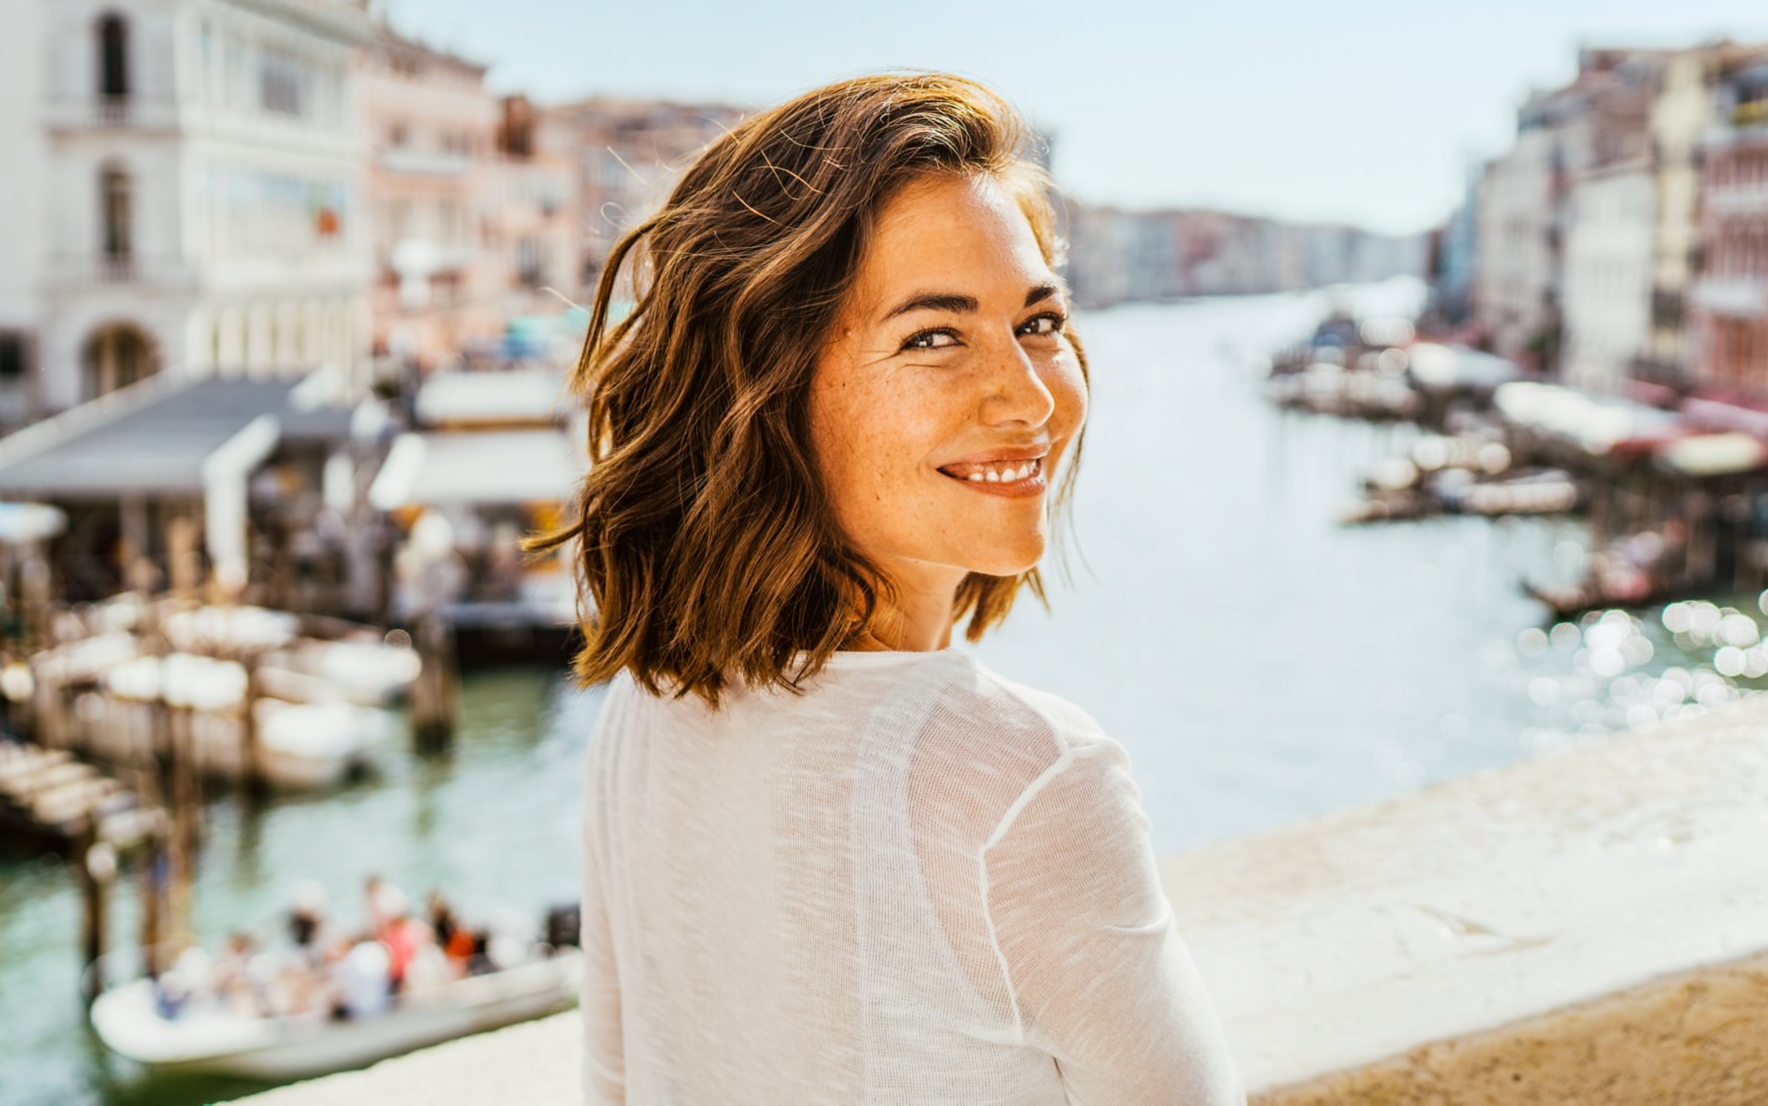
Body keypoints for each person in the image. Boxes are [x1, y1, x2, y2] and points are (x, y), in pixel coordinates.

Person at [531, 74, 1242, 1103]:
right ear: (765, 392)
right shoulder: (1025, 782)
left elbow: (615, 1085)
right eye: (933, 336)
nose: (1030, 395)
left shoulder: (645, 707)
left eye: (1036, 322)